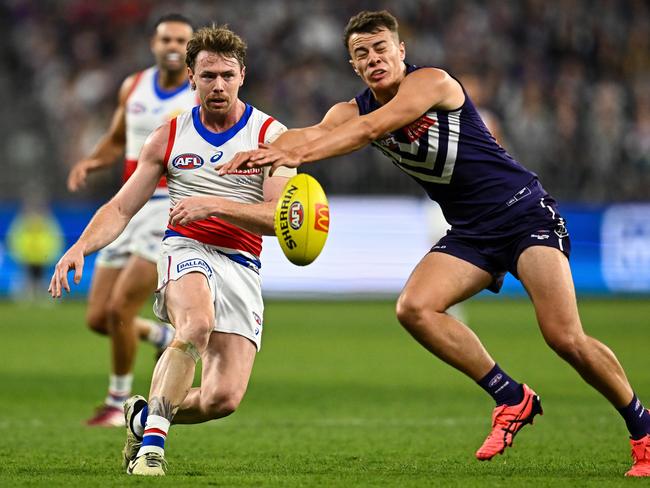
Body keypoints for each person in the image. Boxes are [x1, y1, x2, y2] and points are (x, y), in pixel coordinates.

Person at [219, 10, 650, 477]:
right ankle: (511, 397)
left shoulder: (431, 83)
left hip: (524, 213)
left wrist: (294, 153)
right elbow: (315, 132)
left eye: (381, 47)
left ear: (401, 51)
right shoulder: (351, 109)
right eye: (361, 53)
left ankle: (643, 430)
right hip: (471, 231)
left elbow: (367, 131)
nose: (374, 58)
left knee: (564, 337)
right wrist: (262, 148)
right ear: (353, 66)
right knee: (415, 308)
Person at [50, 25, 295, 476]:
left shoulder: (271, 136)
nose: (217, 85)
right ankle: (151, 453)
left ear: (243, 75)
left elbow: (279, 220)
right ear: (191, 78)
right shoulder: (167, 137)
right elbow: (122, 206)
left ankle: (145, 419)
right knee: (195, 323)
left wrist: (212, 203)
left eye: (226, 75)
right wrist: (79, 247)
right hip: (186, 248)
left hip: (242, 262)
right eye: (207, 76)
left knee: (223, 399)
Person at [66, 14, 196, 426]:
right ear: (153, 44)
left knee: (121, 306)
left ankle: (116, 403)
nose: (173, 45)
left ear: (190, 48)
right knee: (98, 317)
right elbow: (119, 139)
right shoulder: (134, 86)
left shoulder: (200, 92)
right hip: (126, 204)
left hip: (164, 206)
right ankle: (158, 335)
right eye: (166, 39)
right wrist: (92, 160)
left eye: (181, 40)